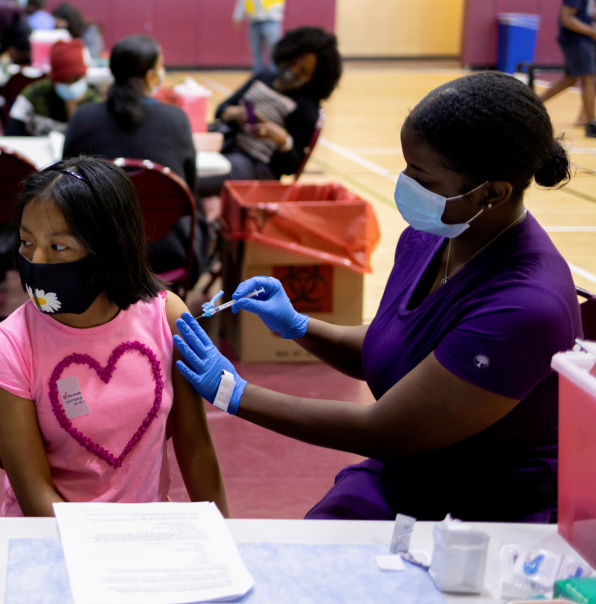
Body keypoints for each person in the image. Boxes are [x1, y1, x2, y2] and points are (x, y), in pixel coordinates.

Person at [174, 72, 579, 523]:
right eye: (406, 166)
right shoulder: (429, 237)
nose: (406, 184)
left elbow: (384, 429)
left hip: (489, 507)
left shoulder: (527, 306)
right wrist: (300, 326)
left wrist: (233, 393)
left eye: (423, 177)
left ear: (493, 193)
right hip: (415, 471)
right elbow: (398, 350)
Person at [0, 157, 228, 517]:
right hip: (57, 539)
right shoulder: (10, 346)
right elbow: (36, 497)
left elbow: (195, 446)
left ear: (107, 249)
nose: (38, 261)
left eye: (59, 247)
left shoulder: (167, 317)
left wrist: (225, 536)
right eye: (26, 242)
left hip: (146, 534)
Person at [63, 35, 202, 274]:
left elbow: (65, 184)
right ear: (151, 76)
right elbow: (190, 187)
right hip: (165, 249)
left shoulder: (82, 118)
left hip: (97, 251)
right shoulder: (176, 119)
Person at [198, 26, 341, 196]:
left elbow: (290, 168)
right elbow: (221, 110)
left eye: (303, 71)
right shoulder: (263, 78)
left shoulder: (306, 108)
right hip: (225, 145)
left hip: (256, 166)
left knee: (194, 177)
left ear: (314, 77)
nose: (293, 71)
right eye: (292, 63)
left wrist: (282, 140)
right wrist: (238, 114)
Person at [538, 0, 596, 136]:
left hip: (582, 39)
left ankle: (533, 105)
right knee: (589, 78)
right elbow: (567, 18)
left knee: (570, 80)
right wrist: (592, 32)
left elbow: (588, 12)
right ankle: (591, 123)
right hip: (576, 40)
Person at [7, 38, 101, 137]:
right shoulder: (33, 95)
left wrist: (73, 113)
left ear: (83, 76)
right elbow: (12, 136)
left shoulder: (94, 104)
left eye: (75, 79)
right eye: (64, 81)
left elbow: (93, 144)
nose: (71, 86)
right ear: (53, 80)